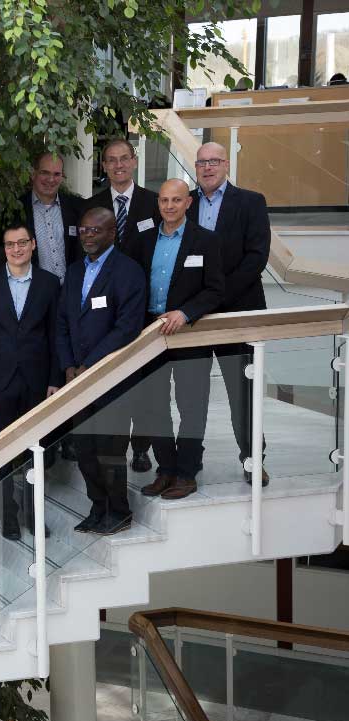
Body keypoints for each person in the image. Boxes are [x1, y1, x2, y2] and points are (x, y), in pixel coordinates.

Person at [56, 208, 147, 536]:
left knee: (110, 451)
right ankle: (98, 507)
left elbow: (126, 328)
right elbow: (63, 322)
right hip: (78, 382)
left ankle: (119, 511)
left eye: (96, 230)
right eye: (83, 230)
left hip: (111, 380)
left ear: (112, 233)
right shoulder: (75, 270)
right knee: (84, 448)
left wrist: (87, 366)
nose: (88, 236)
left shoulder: (129, 272)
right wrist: (69, 366)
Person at [0, 223, 62, 540]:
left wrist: (53, 379)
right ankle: (9, 515)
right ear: (4, 248)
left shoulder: (49, 284)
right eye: (10, 244)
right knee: (2, 452)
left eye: (23, 242)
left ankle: (33, 515)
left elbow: (54, 336)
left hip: (37, 382)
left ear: (33, 245)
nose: (17, 249)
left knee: (37, 451)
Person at [187, 141, 271, 487]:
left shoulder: (251, 202)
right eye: (202, 162)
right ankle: (189, 463)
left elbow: (256, 257)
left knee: (242, 393)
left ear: (226, 165)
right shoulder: (186, 204)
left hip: (237, 312)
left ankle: (253, 460)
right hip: (194, 318)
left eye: (214, 161)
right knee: (192, 394)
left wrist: (217, 296)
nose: (208, 168)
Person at [135, 179, 225, 500]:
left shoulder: (206, 241)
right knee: (154, 405)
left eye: (176, 200)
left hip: (190, 335)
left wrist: (186, 312)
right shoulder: (143, 239)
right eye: (163, 201)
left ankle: (187, 473)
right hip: (151, 337)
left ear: (189, 203)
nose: (169, 206)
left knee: (192, 405)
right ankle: (167, 469)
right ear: (157, 204)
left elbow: (215, 289)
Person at [84, 138, 161, 473]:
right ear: (103, 165)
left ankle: (141, 447)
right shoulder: (91, 205)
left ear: (134, 160)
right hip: (103, 314)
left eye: (124, 159)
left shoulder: (156, 203)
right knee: (110, 385)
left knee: (145, 386)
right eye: (111, 160)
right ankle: (107, 445)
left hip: (145, 312)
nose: (118, 166)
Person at [20, 152, 84, 283]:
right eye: (45, 172)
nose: (51, 179)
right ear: (33, 174)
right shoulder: (18, 209)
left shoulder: (77, 207)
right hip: (36, 292)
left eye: (56, 174)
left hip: (71, 289)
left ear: (62, 177)